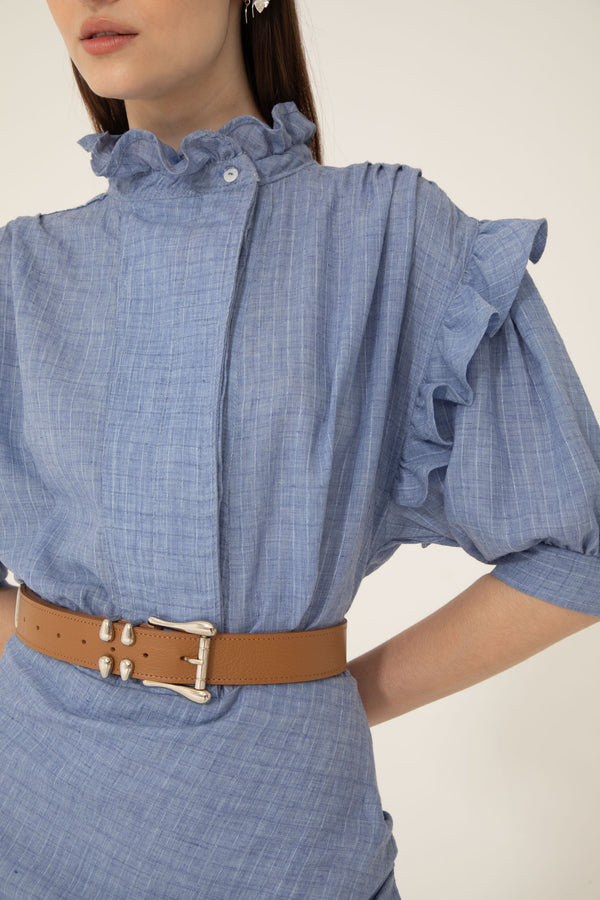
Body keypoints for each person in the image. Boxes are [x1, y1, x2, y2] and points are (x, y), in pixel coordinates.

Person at [0, 0, 599, 897]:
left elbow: (577, 550)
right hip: (26, 813)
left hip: (277, 838)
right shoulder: (22, 267)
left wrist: (324, 696)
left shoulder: (393, 231)